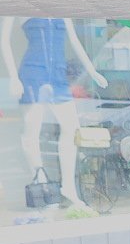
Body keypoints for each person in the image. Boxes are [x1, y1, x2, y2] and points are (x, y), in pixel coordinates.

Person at [2, 17, 109, 211]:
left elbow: (74, 40)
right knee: (31, 129)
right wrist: (14, 77)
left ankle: (68, 187)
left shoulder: (60, 8)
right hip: (33, 73)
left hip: (58, 75)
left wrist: (92, 71)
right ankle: (40, 181)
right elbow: (4, 40)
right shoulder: (21, 6)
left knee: (72, 129)